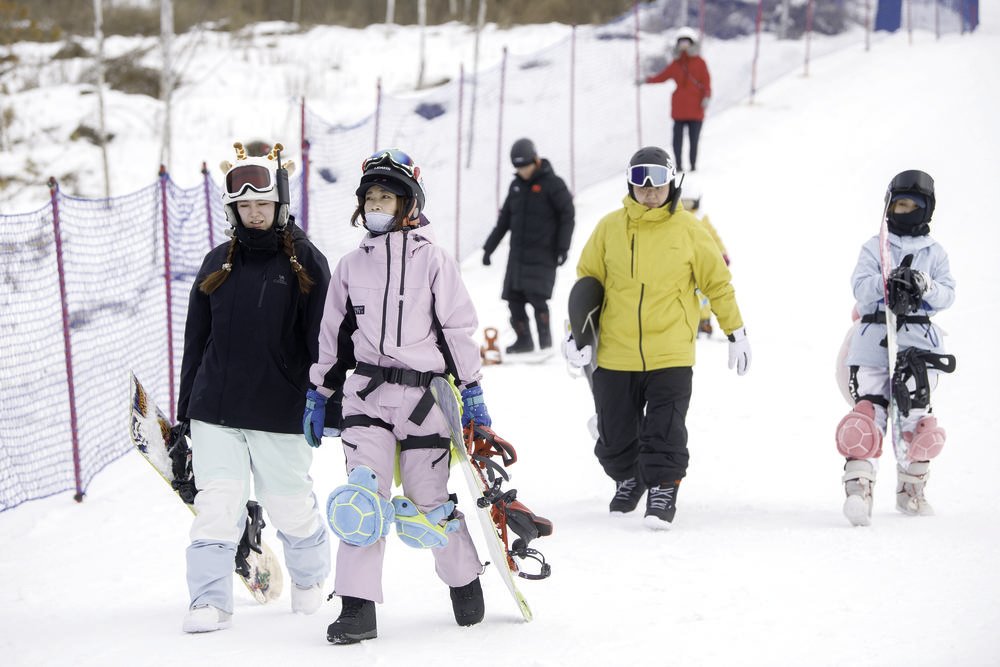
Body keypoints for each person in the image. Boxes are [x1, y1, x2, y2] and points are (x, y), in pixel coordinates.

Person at [303, 149, 490, 645]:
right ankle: (356, 608)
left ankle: (463, 579)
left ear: (408, 202)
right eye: (370, 197)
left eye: (386, 196)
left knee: (428, 501)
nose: (376, 205)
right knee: (363, 497)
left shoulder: (433, 260)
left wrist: (471, 390)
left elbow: (457, 328)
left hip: (423, 400)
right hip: (365, 396)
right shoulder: (349, 266)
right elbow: (333, 336)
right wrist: (318, 392)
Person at [177, 142, 332, 633]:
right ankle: (208, 600)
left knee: (289, 504)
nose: (254, 214)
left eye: (262, 204)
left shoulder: (305, 263)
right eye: (244, 206)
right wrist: (186, 411)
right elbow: (195, 339)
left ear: (280, 204)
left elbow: (323, 342)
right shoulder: (217, 262)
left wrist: (326, 400)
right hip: (215, 408)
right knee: (216, 506)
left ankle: (309, 581)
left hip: (279, 406)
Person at [562, 146, 750, 530]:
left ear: (672, 181)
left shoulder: (690, 231)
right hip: (616, 353)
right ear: (630, 184)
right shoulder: (609, 228)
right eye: (640, 181)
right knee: (614, 437)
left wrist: (736, 332)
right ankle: (629, 476)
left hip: (671, 352)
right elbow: (587, 285)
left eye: (657, 181)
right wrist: (576, 334)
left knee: (664, 428)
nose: (649, 190)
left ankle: (663, 487)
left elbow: (718, 284)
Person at [835, 170, 955, 527]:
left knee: (916, 420)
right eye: (899, 204)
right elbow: (859, 286)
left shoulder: (935, 253)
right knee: (867, 416)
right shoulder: (876, 247)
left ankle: (911, 490)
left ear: (926, 210)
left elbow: (948, 293)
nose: (904, 211)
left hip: (917, 348)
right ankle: (859, 489)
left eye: (912, 206)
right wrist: (886, 282)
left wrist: (924, 285)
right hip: (875, 341)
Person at [482, 138, 575, 354]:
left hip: (543, 253)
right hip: (518, 256)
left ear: (535, 160)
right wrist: (489, 249)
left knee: (537, 299)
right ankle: (524, 341)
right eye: (518, 167)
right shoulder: (515, 187)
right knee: (514, 300)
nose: (522, 171)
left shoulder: (554, 184)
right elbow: (504, 221)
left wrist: (563, 247)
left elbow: (568, 215)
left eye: (526, 166)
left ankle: (545, 344)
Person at [643, 26, 711, 173]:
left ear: (693, 44)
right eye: (682, 43)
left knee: (694, 141)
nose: (684, 46)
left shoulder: (700, 62)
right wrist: (647, 80)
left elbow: (706, 83)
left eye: (687, 42)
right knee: (677, 142)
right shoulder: (676, 64)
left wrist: (706, 97)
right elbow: (662, 76)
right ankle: (678, 166)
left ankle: (693, 166)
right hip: (679, 110)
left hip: (696, 110)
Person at [679, 181, 730, 337]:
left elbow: (713, 237)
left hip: (702, 263)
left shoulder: (701, 219)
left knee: (703, 295)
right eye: (684, 202)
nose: (687, 207)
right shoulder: (676, 219)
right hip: (684, 264)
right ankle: (688, 322)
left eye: (690, 203)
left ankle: (705, 322)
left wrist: (722, 253)